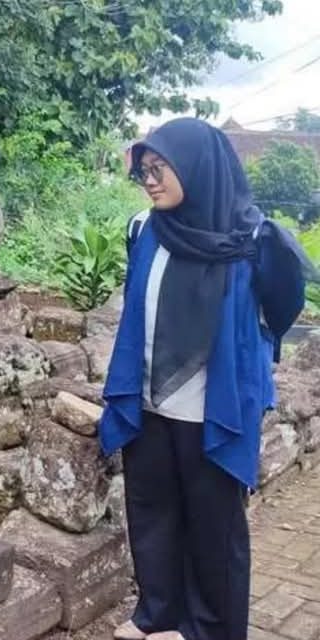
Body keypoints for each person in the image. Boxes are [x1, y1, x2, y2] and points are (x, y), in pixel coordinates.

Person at [99, 118, 316, 640]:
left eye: (160, 168)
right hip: (149, 401)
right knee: (151, 512)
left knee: (214, 528)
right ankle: (159, 614)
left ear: (196, 166)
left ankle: (209, 628)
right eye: (144, 171)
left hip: (210, 407)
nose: (149, 180)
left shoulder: (254, 240)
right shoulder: (142, 229)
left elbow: (283, 306)